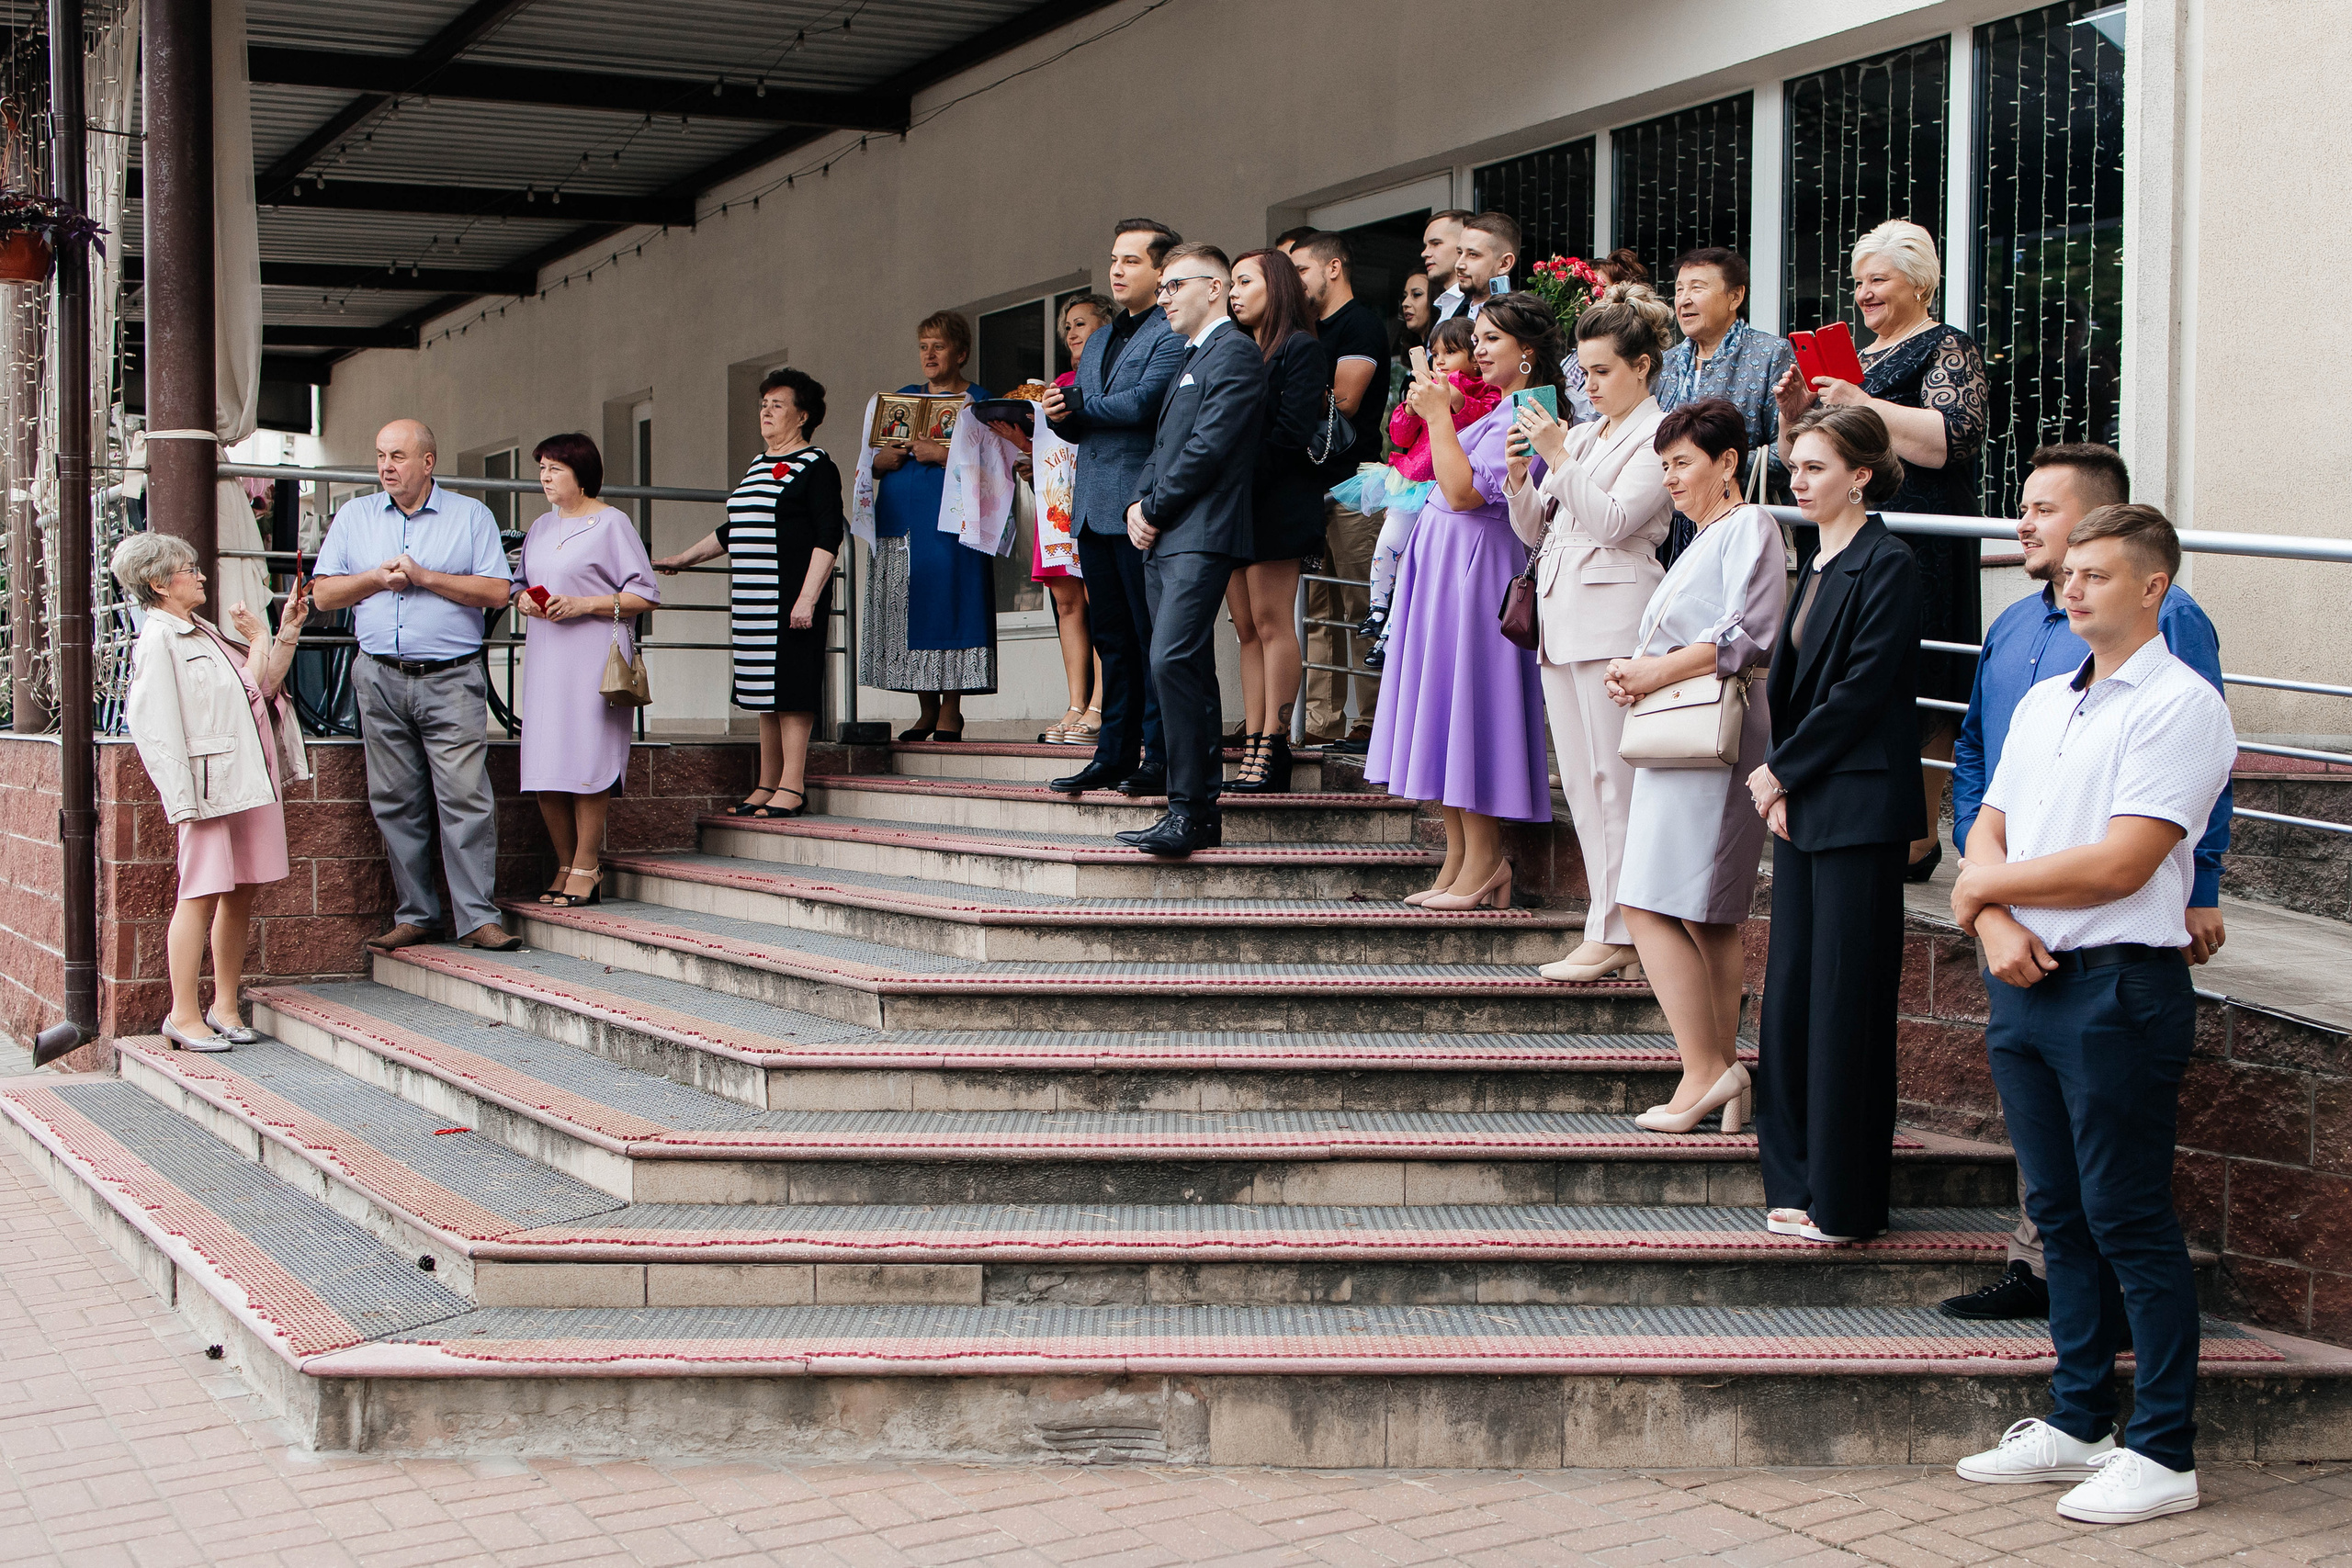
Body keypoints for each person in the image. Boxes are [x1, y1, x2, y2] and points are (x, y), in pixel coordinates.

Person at [1950, 504, 2234, 1527]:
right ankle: (2079, 1421)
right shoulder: (2040, 705)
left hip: (2120, 986)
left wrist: (1985, 894)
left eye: (2097, 576)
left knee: (2127, 1218)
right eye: (2068, 574)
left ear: (2153, 587)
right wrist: (1990, 927)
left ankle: (2162, 1452)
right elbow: (1984, 827)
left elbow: (2121, 862)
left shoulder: (2179, 705)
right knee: (2059, 1215)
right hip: (2023, 981)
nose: (2071, 589)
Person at [1748, 405, 1924, 1244]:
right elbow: (1793, 690)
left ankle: (1845, 1200)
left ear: (1860, 474)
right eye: (1795, 466)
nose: (1798, 479)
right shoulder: (1814, 563)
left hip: (1858, 808)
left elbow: (1859, 689)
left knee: (1846, 1005)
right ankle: (1797, 1176)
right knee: (1790, 1001)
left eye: (1815, 467)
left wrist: (1783, 769)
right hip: (1811, 805)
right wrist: (1785, 781)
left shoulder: (1888, 563)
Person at [1773, 219, 1990, 881]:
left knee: (1915, 676)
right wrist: (1795, 412)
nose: (1864, 293)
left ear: (1919, 283)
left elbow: (1950, 439)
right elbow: (1804, 455)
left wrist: (1862, 402)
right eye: (1859, 281)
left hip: (1920, 538)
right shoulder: (1856, 359)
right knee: (1838, 671)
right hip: (1843, 538)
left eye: (1879, 280)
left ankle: (1920, 832)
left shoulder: (1947, 346)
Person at [1604, 398, 1786, 1130]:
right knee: (1703, 915)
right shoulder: (1708, 536)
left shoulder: (1749, 526)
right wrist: (1640, 673)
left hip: (1715, 737)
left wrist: (1653, 672)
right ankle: (1717, 1071)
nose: (1671, 480)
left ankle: (1706, 1069)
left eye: (1682, 464)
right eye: (1665, 466)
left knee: (1648, 902)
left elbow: (1751, 635)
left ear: (1728, 463)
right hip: (1684, 737)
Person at [1504, 283, 1676, 982]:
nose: (1590, 383)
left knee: (1616, 780)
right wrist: (1522, 477)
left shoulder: (1660, 433)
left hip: (1615, 615)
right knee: (1580, 779)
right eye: (1584, 371)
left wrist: (1560, 458)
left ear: (1640, 366)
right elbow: (1537, 530)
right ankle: (1607, 920)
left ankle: (1621, 928)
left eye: (1603, 370)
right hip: (1560, 613)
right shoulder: (1578, 434)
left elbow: (1612, 521)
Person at [1365, 292, 1557, 905]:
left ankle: (1486, 860)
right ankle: (1460, 857)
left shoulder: (1530, 412)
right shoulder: (1494, 407)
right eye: (1477, 337)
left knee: (1467, 704)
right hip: (1445, 562)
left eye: (1492, 338)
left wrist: (1440, 417)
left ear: (1527, 352)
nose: (1478, 348)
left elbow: (1466, 491)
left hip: (1479, 567)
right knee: (1443, 705)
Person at [312, 419, 521, 953]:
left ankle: (477, 918)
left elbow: (498, 591)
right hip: (379, 676)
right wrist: (374, 581)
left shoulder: (471, 516)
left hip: (450, 678)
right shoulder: (355, 516)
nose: (386, 466)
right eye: (381, 455)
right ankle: (418, 915)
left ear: (428, 463)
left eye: (398, 456)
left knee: (465, 798)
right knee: (394, 801)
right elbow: (323, 595)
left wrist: (426, 577)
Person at [117, 534, 311, 1051]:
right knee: (199, 894)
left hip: (245, 780)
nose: (200, 575)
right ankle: (182, 1014)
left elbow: (258, 690)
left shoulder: (199, 630)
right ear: (159, 583)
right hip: (208, 788)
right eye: (189, 568)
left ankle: (225, 1005)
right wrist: (181, 799)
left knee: (241, 888)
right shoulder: (159, 639)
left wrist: (278, 631)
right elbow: (153, 726)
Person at [1111, 243, 1266, 857]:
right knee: (1188, 667)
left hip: (1202, 531)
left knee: (1172, 660)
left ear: (1213, 289)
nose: (1165, 296)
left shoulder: (1235, 352)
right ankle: (1195, 812)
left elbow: (1208, 447)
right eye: (1165, 286)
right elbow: (1163, 445)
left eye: (1175, 285)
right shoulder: (1191, 356)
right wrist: (1136, 502)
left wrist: (1153, 507)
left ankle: (1188, 806)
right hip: (1168, 532)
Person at [653, 368, 842, 825]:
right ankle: (767, 780)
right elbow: (732, 529)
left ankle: (792, 786)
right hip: (753, 597)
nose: (766, 412)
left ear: (803, 415)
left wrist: (807, 599)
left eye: (777, 405)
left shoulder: (817, 465)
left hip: (792, 595)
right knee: (763, 691)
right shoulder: (758, 465)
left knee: (792, 690)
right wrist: (683, 558)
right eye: (763, 404)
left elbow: (829, 535)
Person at [1047, 220, 1192, 798]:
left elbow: (1144, 405)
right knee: (1111, 637)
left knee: (1149, 634)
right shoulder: (1102, 337)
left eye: (1131, 261)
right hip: (1090, 504)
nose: (1117, 270)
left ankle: (1157, 757)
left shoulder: (1170, 330)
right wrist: (1064, 412)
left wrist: (1082, 405)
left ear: (1162, 272)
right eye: (1114, 259)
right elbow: (1089, 415)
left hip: (1141, 505)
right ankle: (1112, 753)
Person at [512, 434, 661, 908]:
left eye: (555, 468)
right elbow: (518, 587)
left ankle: (587, 864)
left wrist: (584, 604)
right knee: (544, 767)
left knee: (587, 763)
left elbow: (645, 594)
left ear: (582, 473)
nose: (545, 477)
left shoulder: (612, 523)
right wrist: (524, 603)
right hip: (546, 656)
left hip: (594, 654)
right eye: (542, 469)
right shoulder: (538, 526)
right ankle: (564, 863)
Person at [1224, 248, 1332, 792]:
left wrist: (1234, 481)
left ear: (1278, 287)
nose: (1234, 292)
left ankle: (1275, 744)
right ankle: (1252, 744)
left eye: (1245, 281)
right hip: (1236, 505)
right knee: (1245, 629)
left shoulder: (1301, 348)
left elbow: (1291, 434)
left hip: (1277, 499)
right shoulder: (1242, 350)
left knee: (1271, 623)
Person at [865, 310, 995, 739]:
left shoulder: (980, 401)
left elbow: (998, 466)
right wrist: (881, 463)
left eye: (938, 346)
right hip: (900, 520)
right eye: (923, 346)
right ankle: (925, 708)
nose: (929, 354)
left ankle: (951, 710)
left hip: (952, 522)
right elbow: (871, 462)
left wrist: (941, 456)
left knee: (951, 605)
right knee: (908, 608)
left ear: (961, 352)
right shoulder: (901, 398)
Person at [1293, 231, 1394, 752]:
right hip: (1311, 488)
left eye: (1302, 270)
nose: (1294, 282)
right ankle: (1321, 720)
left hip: (1357, 485)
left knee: (1362, 607)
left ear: (1333, 268)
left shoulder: (1360, 324)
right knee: (1318, 608)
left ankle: (1372, 721)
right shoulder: (1304, 329)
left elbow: (1347, 403)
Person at [1361, 317, 1498, 667]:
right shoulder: (1424, 387)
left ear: (1474, 356)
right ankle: (1377, 607)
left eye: (1450, 352)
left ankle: (1392, 633)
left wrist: (1454, 399)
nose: (1439, 359)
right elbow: (1401, 437)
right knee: (1388, 542)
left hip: (1443, 487)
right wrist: (1408, 408)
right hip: (1411, 480)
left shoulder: (1486, 390)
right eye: (1435, 352)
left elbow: (1481, 418)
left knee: (1414, 564)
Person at [1657, 246, 1797, 558]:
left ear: (1735, 297)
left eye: (1697, 288)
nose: (1684, 299)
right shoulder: (1665, 364)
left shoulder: (1771, 354)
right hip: (1667, 533)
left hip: (1738, 530)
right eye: (1679, 289)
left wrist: (1708, 469)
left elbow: (1791, 451)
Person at [1035, 294, 1114, 745]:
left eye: (1081, 323)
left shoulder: (1109, 373)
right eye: (1067, 326)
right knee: (1068, 604)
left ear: (1105, 326)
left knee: (1101, 599)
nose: (1072, 332)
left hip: (1096, 500)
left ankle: (1102, 703)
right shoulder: (1058, 383)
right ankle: (1075, 702)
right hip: (1055, 503)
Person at [1453, 211, 1519, 319]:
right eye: (1460, 253)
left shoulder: (1518, 322)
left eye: (1473, 255)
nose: (1459, 265)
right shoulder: (1453, 313)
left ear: (1504, 264)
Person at [1423, 209, 1476, 321]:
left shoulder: (1480, 307)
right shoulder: (1442, 308)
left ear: (1463, 245)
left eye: (1436, 243)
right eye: (1426, 245)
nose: (1424, 253)